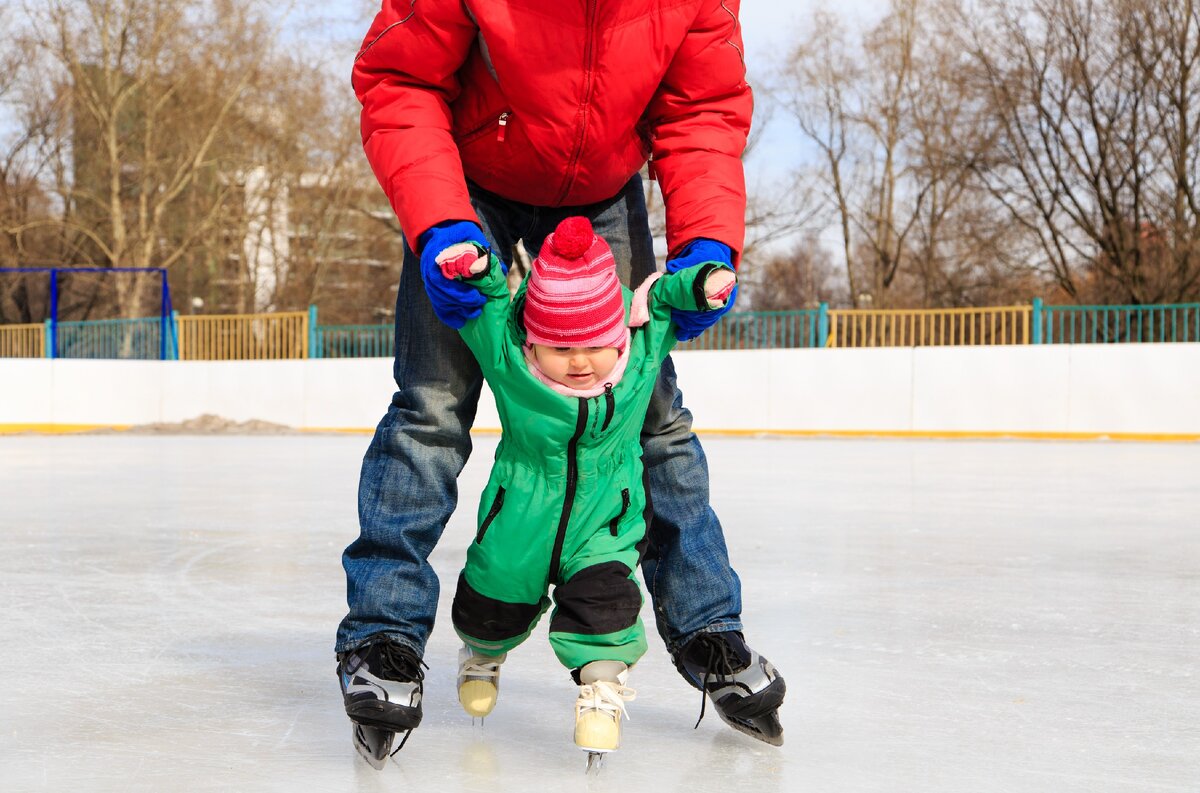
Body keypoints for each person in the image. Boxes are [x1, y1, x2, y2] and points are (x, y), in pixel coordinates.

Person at [336, 0, 787, 760]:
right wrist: (440, 222)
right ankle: (383, 637)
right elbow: (401, 77)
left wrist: (707, 240)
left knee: (650, 415)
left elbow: (702, 107)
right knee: (431, 407)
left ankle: (707, 623)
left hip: (601, 192)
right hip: (467, 185)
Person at [441, 216, 736, 755]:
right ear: (533, 343)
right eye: (559, 348)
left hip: (606, 517)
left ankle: (601, 690)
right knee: (492, 601)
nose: (579, 362)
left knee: (606, 605)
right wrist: (474, 265)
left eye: (595, 345)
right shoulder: (511, 359)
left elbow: (666, 300)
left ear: (619, 335)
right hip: (519, 516)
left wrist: (704, 282)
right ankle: (482, 655)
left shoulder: (640, 354)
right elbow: (485, 307)